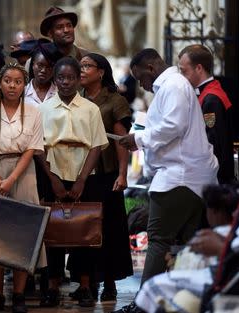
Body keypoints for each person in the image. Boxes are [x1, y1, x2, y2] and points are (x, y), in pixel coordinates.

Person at [115, 48, 219, 313]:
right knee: (184, 244)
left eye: (141, 79)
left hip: (179, 177)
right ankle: (179, 301)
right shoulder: (175, 86)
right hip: (190, 177)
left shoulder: (172, 86)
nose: (141, 85)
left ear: (150, 68)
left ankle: (143, 305)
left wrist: (137, 139)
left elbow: (172, 126)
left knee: (159, 239)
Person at [0, 63, 45, 313]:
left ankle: (20, 294)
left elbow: (31, 150)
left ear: (24, 86)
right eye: (8, 81)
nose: (12, 86)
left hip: (22, 175)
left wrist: (11, 179)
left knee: (22, 234)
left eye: (18, 82)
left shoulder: (33, 112)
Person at [37, 57, 108, 308]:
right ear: (54, 81)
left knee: (84, 229)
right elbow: (38, 148)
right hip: (53, 171)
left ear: (79, 80)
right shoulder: (43, 109)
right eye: (61, 78)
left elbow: (97, 146)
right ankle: (53, 284)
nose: (66, 82)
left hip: (83, 173)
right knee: (53, 229)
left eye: (71, 78)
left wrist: (81, 180)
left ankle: (85, 285)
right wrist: (54, 180)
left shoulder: (90, 109)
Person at [73, 52, 133, 302]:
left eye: (88, 66)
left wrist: (122, 173)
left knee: (109, 228)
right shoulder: (76, 98)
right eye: (81, 65)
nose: (83, 69)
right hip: (80, 172)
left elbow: (121, 141)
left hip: (106, 173)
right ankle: (86, 282)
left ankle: (109, 281)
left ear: (101, 72)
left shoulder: (114, 100)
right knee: (83, 228)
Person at [135, 183, 239, 313]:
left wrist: (221, 247)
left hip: (227, 280)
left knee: (151, 287)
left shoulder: (220, 235)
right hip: (226, 273)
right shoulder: (221, 232)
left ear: (214, 212)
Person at [178, 44, 235, 184]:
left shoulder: (212, 99)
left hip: (215, 177)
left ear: (199, 68)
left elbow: (212, 142)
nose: (181, 77)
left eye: (184, 71)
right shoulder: (209, 92)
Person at [24, 42, 61, 107]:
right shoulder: (22, 92)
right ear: (33, 65)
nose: (43, 70)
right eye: (40, 65)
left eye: (49, 67)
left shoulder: (60, 93)